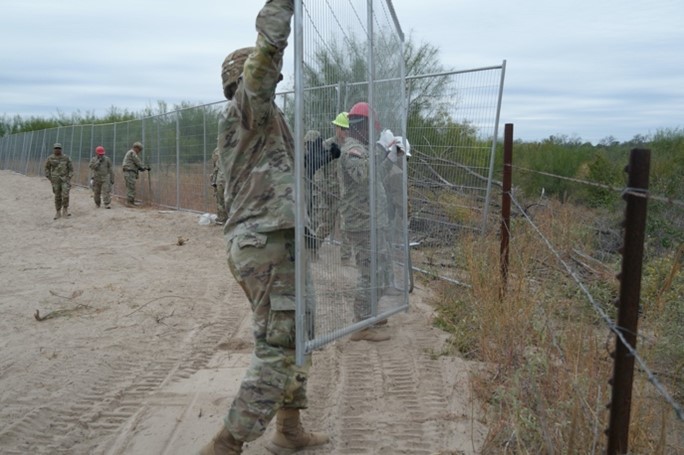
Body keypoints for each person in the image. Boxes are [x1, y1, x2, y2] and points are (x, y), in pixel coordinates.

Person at [199, 1, 329, 454]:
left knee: (297, 335)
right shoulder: (247, 107)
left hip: (278, 243)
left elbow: (283, 178)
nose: (276, 78)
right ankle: (226, 444)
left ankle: (289, 429)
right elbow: (269, 47)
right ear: (248, 78)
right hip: (267, 245)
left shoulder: (265, 122)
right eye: (267, 74)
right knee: (278, 346)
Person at [338, 102, 395, 342]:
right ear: (362, 126)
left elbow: (376, 178)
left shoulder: (364, 148)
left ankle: (369, 313)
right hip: (361, 223)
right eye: (372, 127)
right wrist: (382, 148)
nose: (374, 132)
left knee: (382, 269)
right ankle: (361, 325)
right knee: (369, 272)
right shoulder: (353, 149)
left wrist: (393, 156)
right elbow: (362, 175)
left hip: (374, 220)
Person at [312, 112, 352, 263]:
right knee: (325, 225)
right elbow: (318, 169)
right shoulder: (327, 145)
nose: (344, 133)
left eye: (347, 130)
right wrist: (323, 188)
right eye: (342, 129)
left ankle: (345, 258)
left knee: (345, 226)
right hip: (328, 193)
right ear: (337, 128)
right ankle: (311, 251)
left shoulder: (351, 147)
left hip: (345, 195)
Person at [44, 142, 73, 220]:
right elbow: (46, 168)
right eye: (56, 148)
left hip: (65, 180)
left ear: (61, 149)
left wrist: (69, 177)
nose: (57, 150)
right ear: (53, 149)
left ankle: (65, 210)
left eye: (59, 148)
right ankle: (58, 211)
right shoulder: (50, 158)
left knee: (65, 195)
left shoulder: (66, 158)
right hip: (55, 180)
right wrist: (49, 177)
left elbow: (71, 169)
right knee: (57, 196)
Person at [122, 141, 149, 207]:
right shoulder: (132, 153)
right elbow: (138, 162)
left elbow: (135, 164)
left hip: (129, 172)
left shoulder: (130, 153)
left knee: (131, 187)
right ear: (136, 148)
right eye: (139, 150)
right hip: (129, 172)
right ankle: (129, 203)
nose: (139, 151)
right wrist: (144, 167)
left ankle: (131, 202)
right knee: (131, 188)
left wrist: (141, 168)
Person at [209, 147, 228, 224]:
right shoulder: (234, 148)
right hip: (228, 178)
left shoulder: (217, 150)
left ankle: (222, 218)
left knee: (220, 199)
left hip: (221, 179)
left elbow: (215, 165)